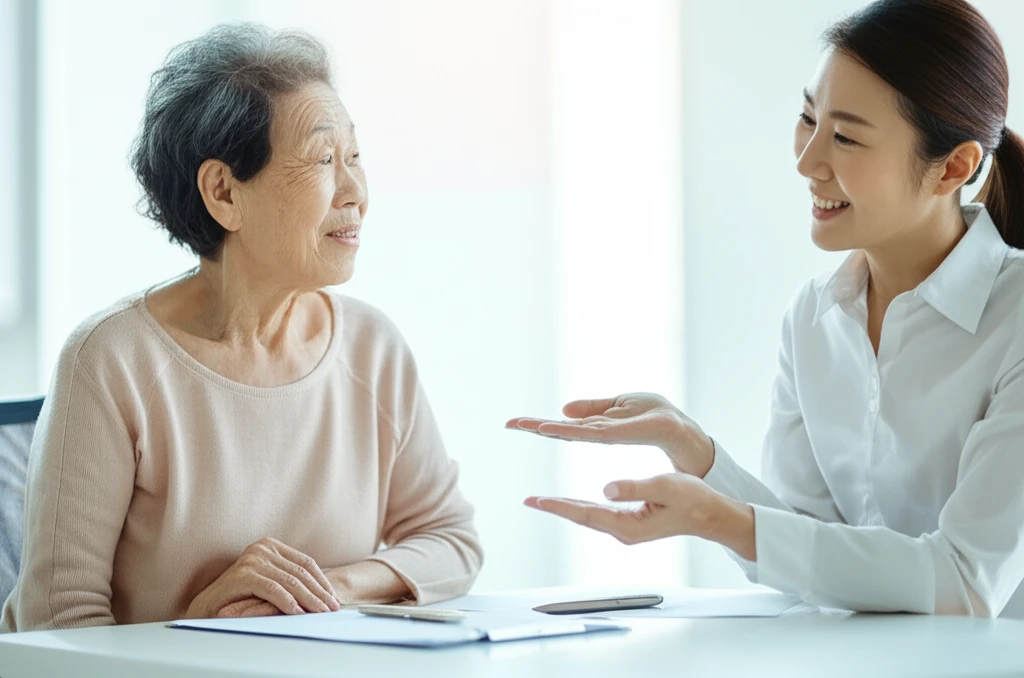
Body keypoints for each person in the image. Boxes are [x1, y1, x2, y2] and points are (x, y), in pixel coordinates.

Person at [508, 0, 1024, 618]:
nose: (807, 162)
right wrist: (693, 450)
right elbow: (807, 554)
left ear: (954, 167)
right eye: (808, 118)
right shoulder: (813, 318)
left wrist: (719, 518)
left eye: (846, 137)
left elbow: (966, 583)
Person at [2, 24, 482, 632]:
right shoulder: (111, 361)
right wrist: (196, 629)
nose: (356, 193)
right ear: (224, 192)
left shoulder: (373, 347)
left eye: (355, 157)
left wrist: (327, 587)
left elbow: (451, 541)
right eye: (324, 160)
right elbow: (55, 627)